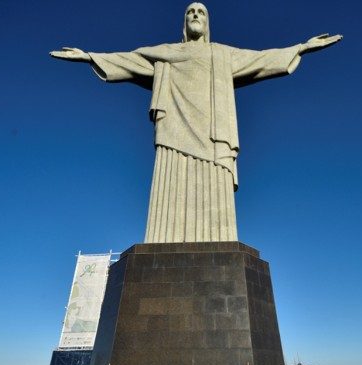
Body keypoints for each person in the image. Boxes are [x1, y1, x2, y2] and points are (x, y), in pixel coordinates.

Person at [50, 2, 342, 244]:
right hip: (173, 134)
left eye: (201, 12)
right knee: (169, 191)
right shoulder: (165, 54)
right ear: (183, 22)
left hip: (214, 136)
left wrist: (301, 48)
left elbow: (262, 59)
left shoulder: (222, 54)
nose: (195, 16)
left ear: (208, 22)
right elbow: (129, 60)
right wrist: (89, 57)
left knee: (216, 198)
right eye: (190, 12)